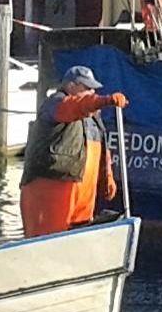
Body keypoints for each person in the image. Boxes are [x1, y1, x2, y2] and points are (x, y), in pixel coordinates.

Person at [20, 66, 127, 236]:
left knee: (78, 235)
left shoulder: (93, 116)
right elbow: (74, 107)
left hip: (83, 197)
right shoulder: (55, 104)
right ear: (71, 86)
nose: (92, 92)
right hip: (52, 190)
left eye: (93, 89)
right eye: (87, 88)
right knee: (49, 239)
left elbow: (101, 149)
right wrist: (104, 101)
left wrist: (107, 177)